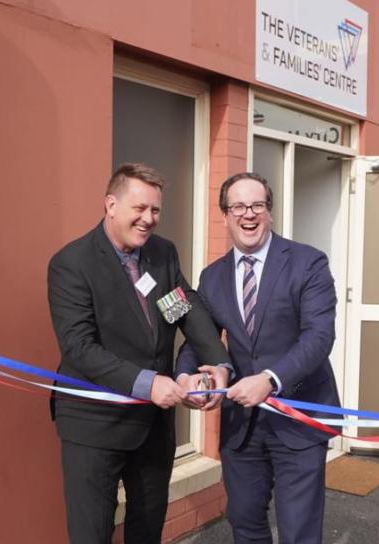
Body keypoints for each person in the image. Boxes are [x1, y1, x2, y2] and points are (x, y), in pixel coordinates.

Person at [47, 163, 230, 543]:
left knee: (147, 531)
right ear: (111, 205)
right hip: (94, 426)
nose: (149, 219)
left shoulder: (161, 254)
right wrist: (148, 384)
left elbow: (182, 308)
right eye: (139, 208)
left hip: (152, 427)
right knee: (92, 535)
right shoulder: (72, 263)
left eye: (156, 210)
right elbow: (79, 348)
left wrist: (218, 362)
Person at [176, 172, 339, 544]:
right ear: (224, 215)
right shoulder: (213, 276)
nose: (248, 214)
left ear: (269, 212)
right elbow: (200, 340)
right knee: (244, 522)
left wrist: (269, 379)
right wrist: (186, 376)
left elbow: (319, 337)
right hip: (242, 425)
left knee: (299, 531)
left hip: (298, 417)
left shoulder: (308, 263)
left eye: (257, 205)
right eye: (238, 206)